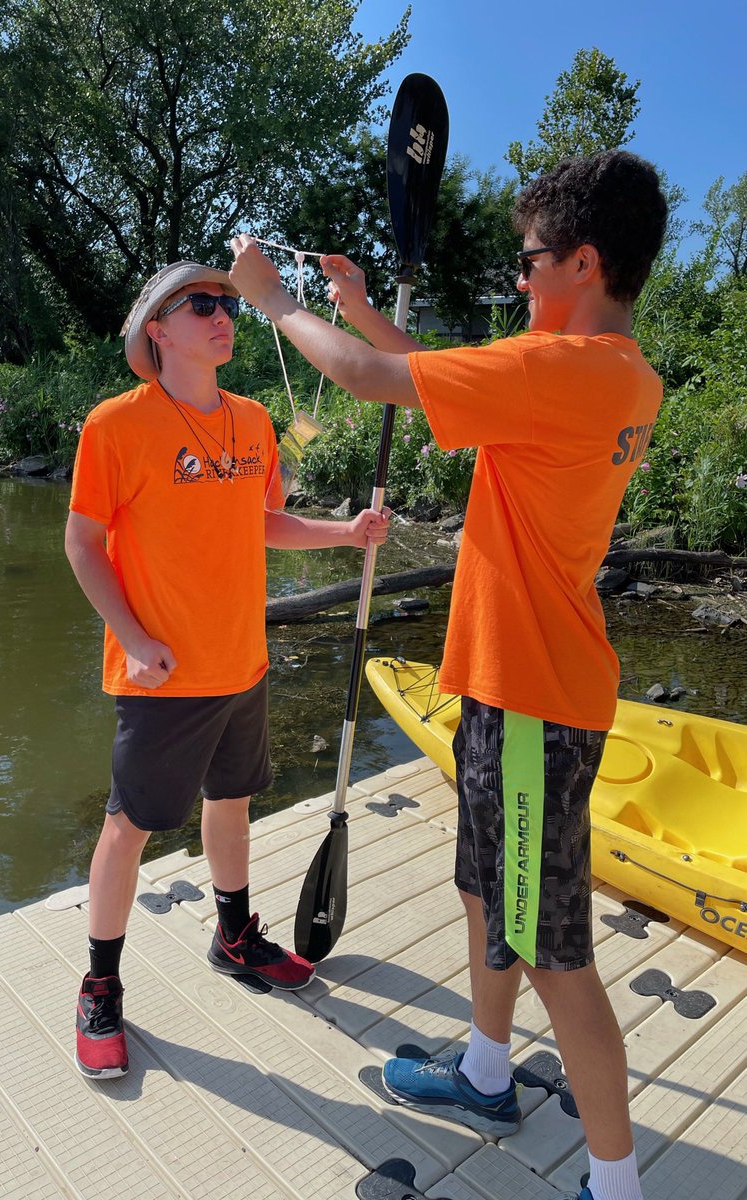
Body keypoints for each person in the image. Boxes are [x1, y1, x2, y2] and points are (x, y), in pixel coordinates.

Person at [229, 150, 668, 1200]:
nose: (519, 280)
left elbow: (377, 382)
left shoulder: (561, 371)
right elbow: (432, 374)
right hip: (516, 683)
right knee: (488, 894)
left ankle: (616, 1185)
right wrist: (362, 305)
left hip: (531, 701)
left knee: (554, 946)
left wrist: (275, 302)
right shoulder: (616, 374)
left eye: (529, 262)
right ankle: (483, 1069)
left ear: (584, 261)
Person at [66, 260, 390, 1081]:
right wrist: (134, 639)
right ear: (157, 331)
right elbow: (81, 542)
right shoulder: (115, 424)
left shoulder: (252, 420)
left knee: (233, 800)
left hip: (242, 657)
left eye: (227, 301)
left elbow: (264, 522)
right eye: (200, 303)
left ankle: (233, 934)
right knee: (128, 824)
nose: (223, 313)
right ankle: (100, 984)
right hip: (163, 672)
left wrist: (345, 534)